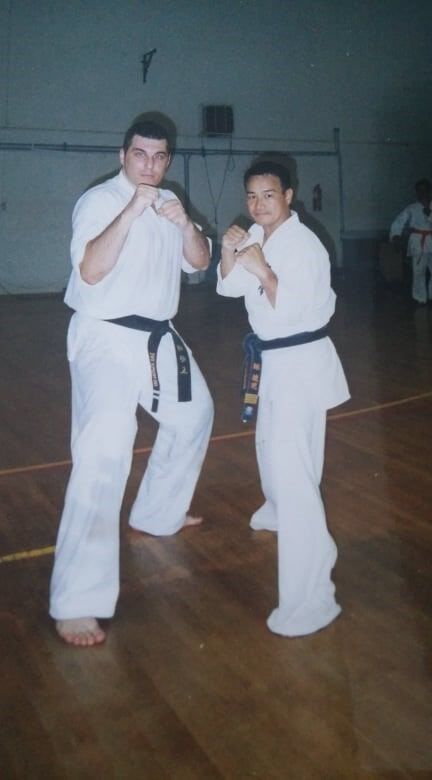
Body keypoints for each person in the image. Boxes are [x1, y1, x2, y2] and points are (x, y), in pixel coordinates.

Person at [50, 119, 214, 646]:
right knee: (104, 452)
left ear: (168, 161)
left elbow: (201, 261)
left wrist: (184, 223)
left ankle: (159, 511)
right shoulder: (98, 201)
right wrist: (131, 211)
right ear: (123, 155)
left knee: (195, 414)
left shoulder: (170, 203)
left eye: (159, 157)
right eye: (140, 155)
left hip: (157, 337)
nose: (149, 165)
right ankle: (76, 601)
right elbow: (92, 271)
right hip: (103, 337)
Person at [217, 161, 350, 637]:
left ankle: (314, 596)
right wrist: (232, 252)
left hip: (300, 361)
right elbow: (229, 287)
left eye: (268, 196)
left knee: (295, 475)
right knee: (271, 455)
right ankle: (277, 513)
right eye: (252, 196)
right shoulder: (256, 232)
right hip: (272, 363)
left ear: (288, 196)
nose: (259, 205)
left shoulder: (305, 246)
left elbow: (301, 310)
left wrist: (263, 269)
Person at [390, 178, 432, 303]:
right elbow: (399, 221)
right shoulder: (412, 208)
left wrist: (430, 214)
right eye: (420, 191)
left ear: (430, 191)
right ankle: (420, 299)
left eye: (425, 190)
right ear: (417, 192)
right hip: (418, 241)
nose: (423, 193)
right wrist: (396, 235)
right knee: (419, 272)